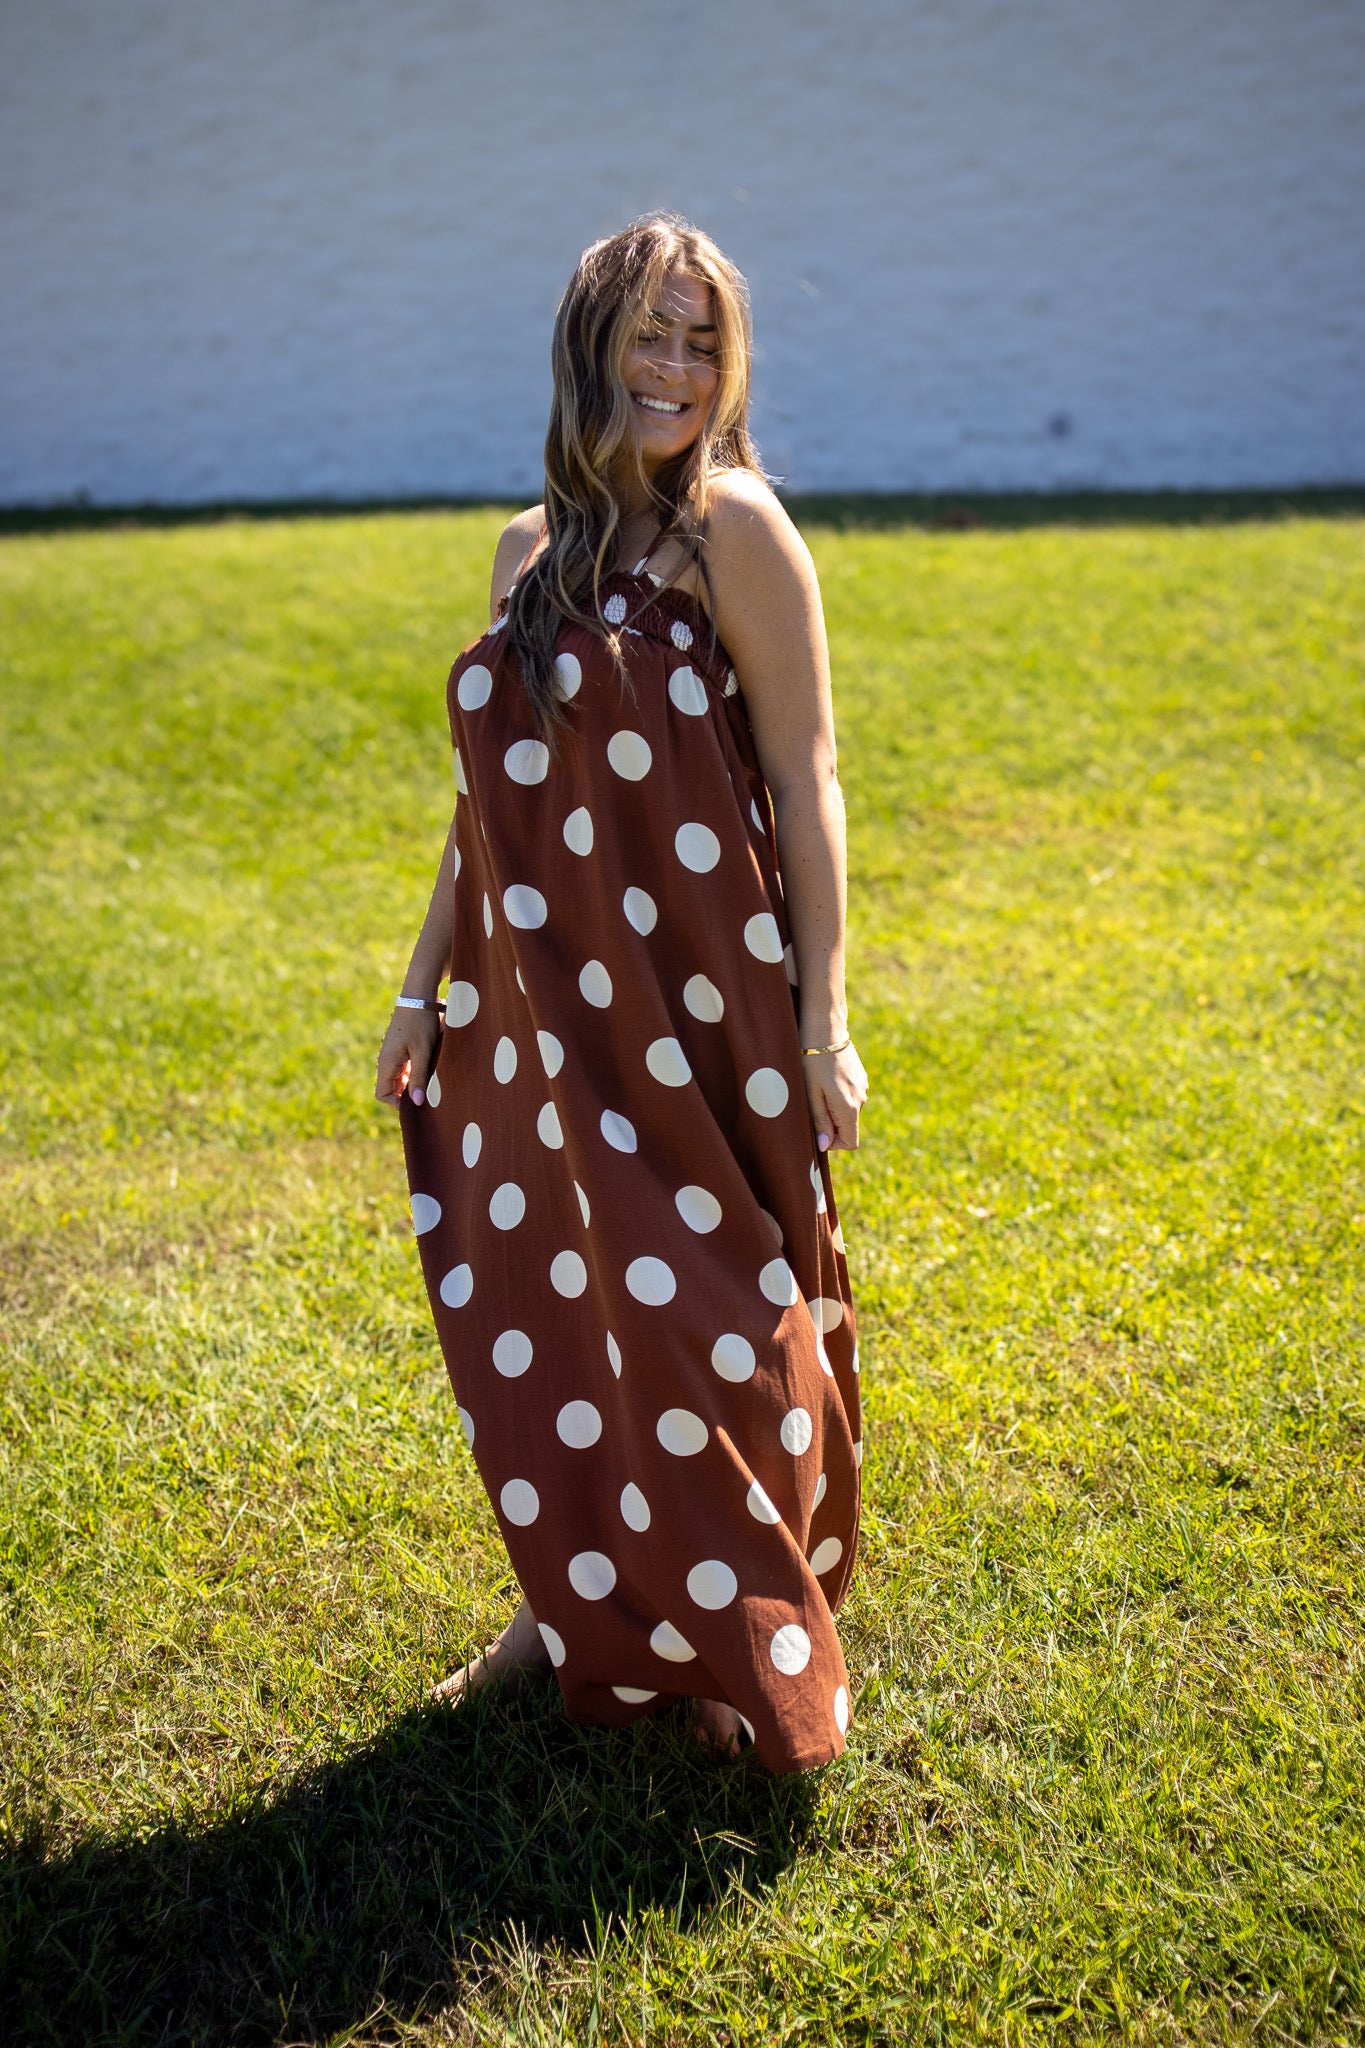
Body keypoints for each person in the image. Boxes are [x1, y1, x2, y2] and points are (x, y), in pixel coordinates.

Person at [375, 212, 869, 1770]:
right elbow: (492, 807)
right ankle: (560, 1609)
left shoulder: (738, 532)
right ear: (587, 349)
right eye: (646, 334)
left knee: (722, 1306)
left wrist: (824, 1020)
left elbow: (806, 780)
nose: (672, 367)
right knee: (562, 1295)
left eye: (699, 338)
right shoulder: (528, 549)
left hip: (705, 997)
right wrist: (421, 991)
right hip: (541, 998)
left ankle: (744, 1639)